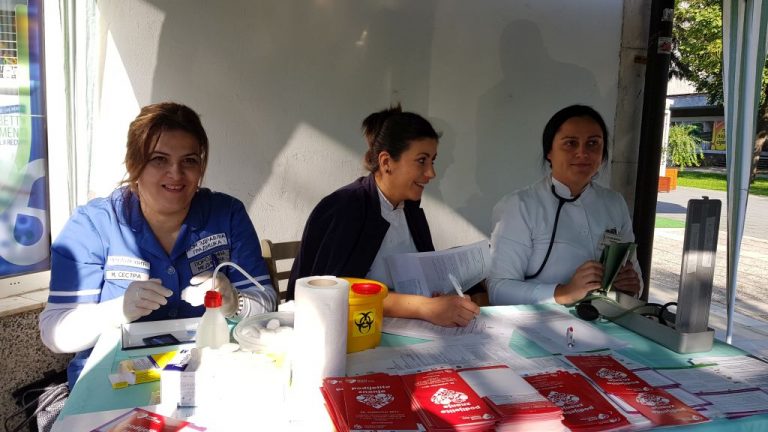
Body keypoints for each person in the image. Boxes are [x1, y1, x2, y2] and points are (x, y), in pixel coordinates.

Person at [39, 102, 277, 388]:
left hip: (209, 377)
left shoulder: (227, 215)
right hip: (112, 383)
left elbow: (266, 303)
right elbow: (54, 332)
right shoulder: (93, 225)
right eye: (159, 160)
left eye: (189, 161)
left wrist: (233, 302)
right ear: (134, 164)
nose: (175, 174)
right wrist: (118, 310)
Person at [288, 105, 480, 327]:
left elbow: (422, 281)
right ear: (386, 162)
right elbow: (330, 289)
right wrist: (423, 307)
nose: (431, 173)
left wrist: (440, 300)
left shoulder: (411, 210)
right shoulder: (345, 206)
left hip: (401, 330)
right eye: (422, 161)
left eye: (432, 161)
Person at [488, 104, 642, 306]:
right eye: (570, 143)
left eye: (593, 143)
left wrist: (631, 287)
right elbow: (498, 290)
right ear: (549, 152)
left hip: (604, 319)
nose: (582, 153)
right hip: (543, 322)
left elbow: (634, 275)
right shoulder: (518, 206)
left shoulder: (615, 203)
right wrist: (563, 293)